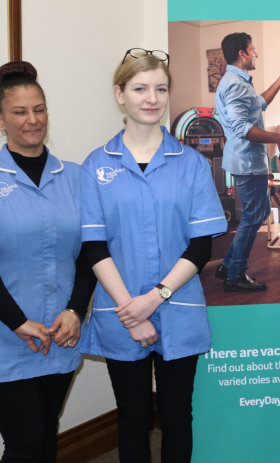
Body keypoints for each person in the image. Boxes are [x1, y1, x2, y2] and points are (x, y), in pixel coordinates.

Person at [78, 49, 228, 463]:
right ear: (120, 94)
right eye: (140, 88)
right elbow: (94, 246)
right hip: (119, 310)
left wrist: (152, 299)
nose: (152, 98)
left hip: (177, 306)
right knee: (133, 416)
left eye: (160, 89)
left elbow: (200, 245)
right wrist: (133, 309)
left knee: (178, 416)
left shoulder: (192, 164)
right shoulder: (96, 166)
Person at [0, 61, 94, 462]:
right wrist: (17, 321)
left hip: (61, 331)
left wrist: (77, 309)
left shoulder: (76, 177)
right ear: (0, 119)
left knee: (46, 437)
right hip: (2, 335)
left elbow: (89, 253)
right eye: (20, 112)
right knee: (25, 442)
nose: (32, 120)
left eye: (39, 109)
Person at [213, 32, 280, 292]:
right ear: (243, 54)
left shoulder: (237, 81)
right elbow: (242, 127)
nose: (256, 53)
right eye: (253, 49)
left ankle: (228, 265)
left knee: (258, 213)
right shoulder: (235, 83)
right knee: (252, 217)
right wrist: (279, 137)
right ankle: (235, 274)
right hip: (247, 161)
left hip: (250, 161)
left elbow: (258, 104)